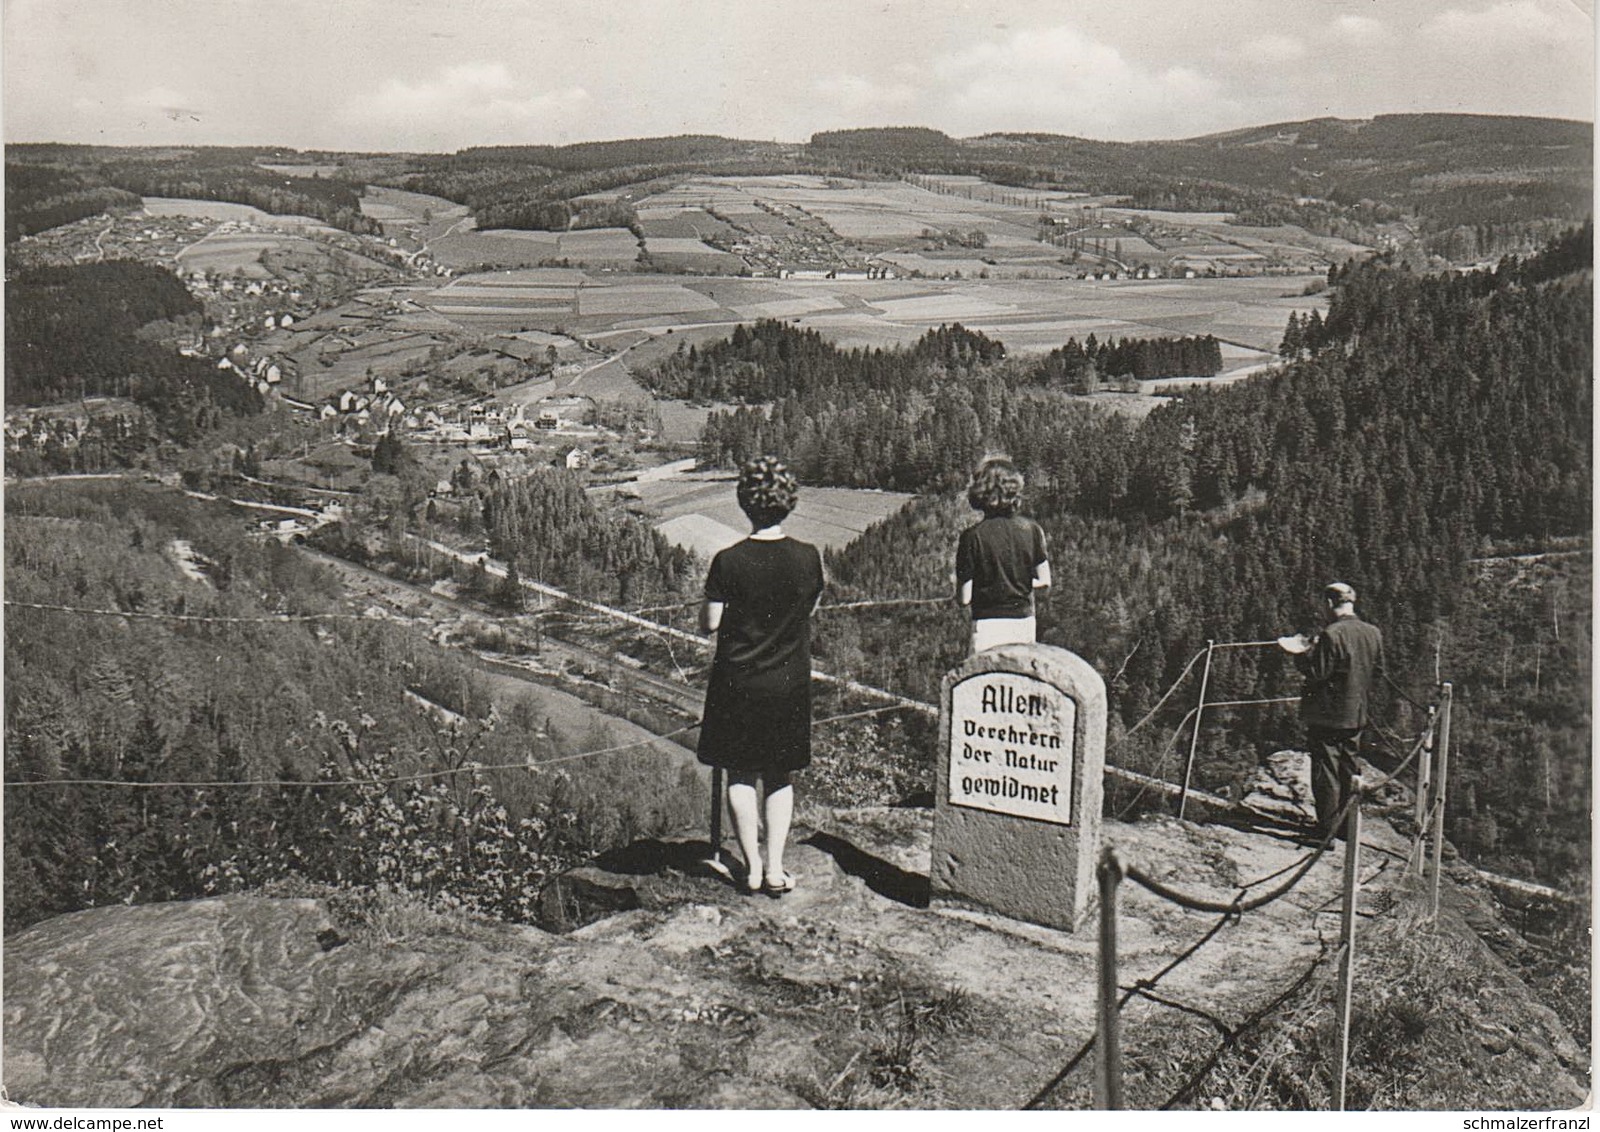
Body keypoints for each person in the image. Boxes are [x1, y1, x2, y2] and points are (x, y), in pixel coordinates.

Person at [697, 457, 824, 896]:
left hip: (738, 683)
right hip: (787, 683)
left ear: (743, 502)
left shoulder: (728, 561)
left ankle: (749, 868)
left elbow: (710, 623)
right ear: (789, 502)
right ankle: (775, 869)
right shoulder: (808, 558)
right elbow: (808, 611)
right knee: (779, 775)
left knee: (740, 775)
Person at [1278, 582, 1385, 839]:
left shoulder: (1332, 634)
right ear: (1352, 602)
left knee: (1326, 770)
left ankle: (1326, 831)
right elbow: (1378, 672)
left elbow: (1316, 673)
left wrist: (1302, 652)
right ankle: (1348, 829)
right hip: (1356, 712)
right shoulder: (1373, 632)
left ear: (1328, 603)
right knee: (1349, 767)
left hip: (1327, 715)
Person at [955, 456, 1051, 654]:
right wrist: (1018, 582)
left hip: (986, 625)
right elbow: (1045, 581)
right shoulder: (1032, 530)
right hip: (1023, 624)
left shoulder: (971, 537)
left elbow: (964, 598)